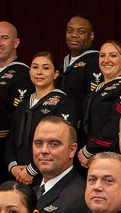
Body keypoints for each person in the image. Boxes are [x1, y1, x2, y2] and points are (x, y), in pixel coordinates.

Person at [5, 51, 78, 184]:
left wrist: (30, 171)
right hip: (18, 176)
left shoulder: (63, 103)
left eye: (45, 68)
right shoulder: (23, 105)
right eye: (35, 67)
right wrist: (13, 167)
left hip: (46, 175)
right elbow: (10, 139)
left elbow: (63, 143)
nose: (39, 72)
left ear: (55, 74)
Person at [0, 21, 33, 170]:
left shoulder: (22, 75)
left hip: (6, 155)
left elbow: (16, 118)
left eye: (4, 38)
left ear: (16, 42)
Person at [61, 15, 102, 110]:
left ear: (91, 36)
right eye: (70, 31)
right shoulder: (61, 65)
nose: (74, 35)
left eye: (81, 32)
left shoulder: (96, 62)